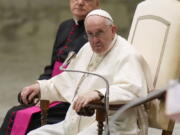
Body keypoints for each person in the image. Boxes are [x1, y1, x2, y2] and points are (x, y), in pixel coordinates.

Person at [21, 9, 151, 135]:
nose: (94, 40)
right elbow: (68, 80)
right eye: (90, 34)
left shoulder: (127, 54)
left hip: (112, 124)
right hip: (77, 122)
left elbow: (132, 89)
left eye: (99, 33)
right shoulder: (87, 49)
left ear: (113, 30)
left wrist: (99, 94)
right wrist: (41, 87)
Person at [0, 0, 100, 134]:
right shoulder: (64, 26)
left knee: (18, 115)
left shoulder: (97, 32)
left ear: (97, 3)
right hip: (51, 87)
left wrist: (49, 92)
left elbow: (85, 75)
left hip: (69, 97)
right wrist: (38, 86)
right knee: (16, 110)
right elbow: (52, 66)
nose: (80, 2)